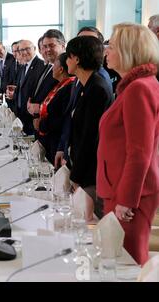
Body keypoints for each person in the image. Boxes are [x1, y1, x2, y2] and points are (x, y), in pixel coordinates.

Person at [97, 23, 159, 265]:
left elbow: (140, 151)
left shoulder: (138, 88)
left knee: (127, 264)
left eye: (111, 46)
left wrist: (127, 199)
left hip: (129, 195)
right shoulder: (134, 86)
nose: (106, 52)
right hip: (121, 188)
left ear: (127, 50)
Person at [65, 36, 113, 212]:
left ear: (77, 59)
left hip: (91, 173)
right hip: (83, 167)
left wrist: (76, 176)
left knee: (88, 222)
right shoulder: (87, 85)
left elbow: (90, 137)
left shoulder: (97, 88)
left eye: (68, 57)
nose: (66, 61)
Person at [37, 53, 75, 164]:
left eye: (54, 66)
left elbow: (61, 117)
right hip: (50, 137)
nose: (52, 69)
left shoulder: (69, 87)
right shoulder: (61, 85)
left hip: (58, 140)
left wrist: (41, 124)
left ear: (61, 69)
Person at [28, 30, 66, 133]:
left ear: (63, 46)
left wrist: (39, 108)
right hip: (41, 127)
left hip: (54, 132)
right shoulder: (49, 66)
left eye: (52, 45)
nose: (47, 50)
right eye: (44, 46)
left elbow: (62, 108)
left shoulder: (68, 70)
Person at [10, 40, 44, 135]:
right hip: (21, 115)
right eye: (21, 50)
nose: (24, 52)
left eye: (27, 49)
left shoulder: (41, 66)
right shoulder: (23, 66)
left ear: (34, 49)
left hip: (32, 117)